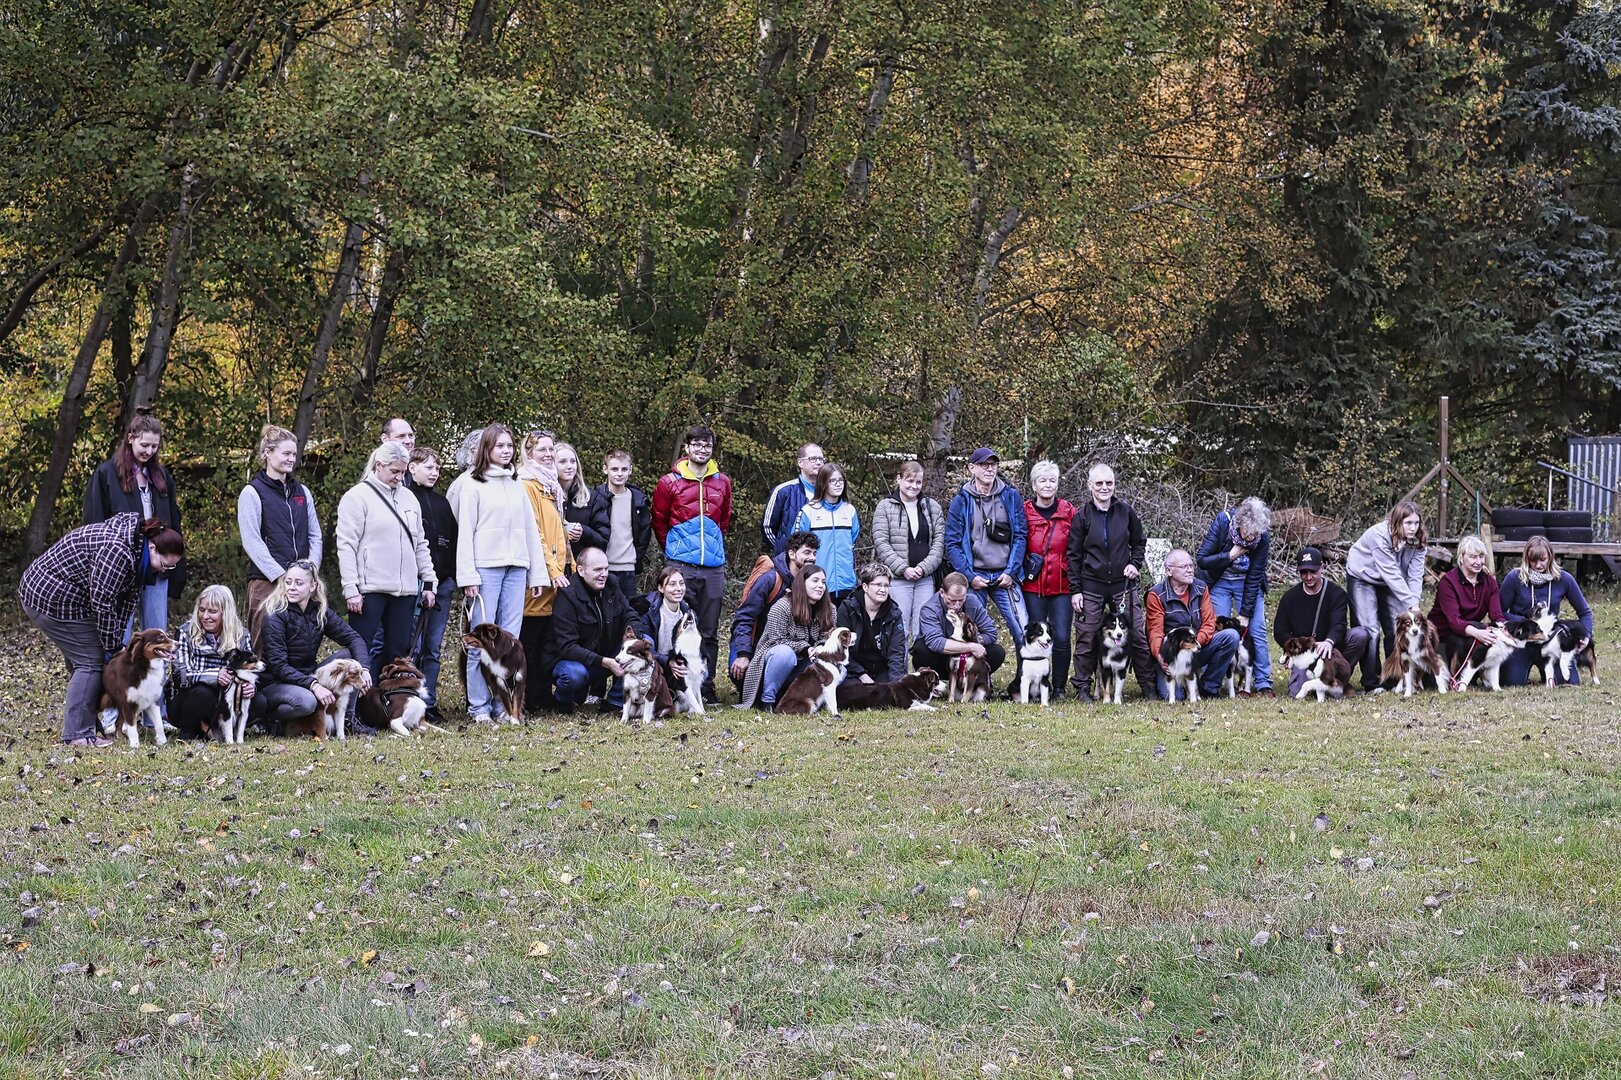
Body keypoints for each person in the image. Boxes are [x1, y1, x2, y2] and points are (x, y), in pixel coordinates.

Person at [18, 514, 184, 747]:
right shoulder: (117, 551)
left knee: (90, 657)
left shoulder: (137, 555)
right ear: (153, 547)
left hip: (70, 599)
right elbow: (103, 603)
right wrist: (112, 648)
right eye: (165, 565)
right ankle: (77, 733)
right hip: (48, 595)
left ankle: (87, 723)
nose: (164, 571)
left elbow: (124, 605)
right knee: (90, 660)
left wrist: (117, 646)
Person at [453, 423, 548, 722]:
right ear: (487, 449)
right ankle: (479, 707)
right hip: (485, 569)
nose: (506, 451)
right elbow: (465, 532)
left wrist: (537, 574)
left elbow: (530, 530)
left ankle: (503, 706)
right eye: (500, 446)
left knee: (509, 643)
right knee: (480, 643)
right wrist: (468, 576)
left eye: (509, 446)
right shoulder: (472, 483)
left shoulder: (516, 483)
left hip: (516, 568)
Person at [335, 441, 437, 682]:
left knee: (399, 653)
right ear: (379, 465)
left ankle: (390, 699)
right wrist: (351, 588)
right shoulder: (357, 497)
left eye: (403, 472)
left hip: (405, 590)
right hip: (369, 589)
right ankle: (356, 702)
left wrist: (429, 580)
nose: (400, 477)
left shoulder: (410, 498)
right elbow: (346, 545)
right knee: (360, 651)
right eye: (394, 471)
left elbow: (420, 543)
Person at [83, 411, 185, 637]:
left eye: (154, 446)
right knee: (120, 633)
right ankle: (118, 662)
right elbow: (94, 523)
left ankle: (153, 664)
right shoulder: (106, 474)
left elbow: (173, 520)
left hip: (156, 564)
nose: (149, 451)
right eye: (144, 445)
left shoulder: (162, 476)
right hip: (121, 567)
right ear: (130, 438)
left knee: (156, 633)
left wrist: (177, 564)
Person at [652, 425, 733, 703]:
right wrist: (674, 550)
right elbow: (659, 520)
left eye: (707, 445)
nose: (702, 449)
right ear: (687, 448)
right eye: (696, 444)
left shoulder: (722, 482)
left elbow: (724, 520)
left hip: (713, 567)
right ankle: (676, 684)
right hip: (681, 565)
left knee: (709, 629)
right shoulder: (669, 482)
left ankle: (706, 686)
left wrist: (711, 547)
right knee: (678, 626)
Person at [1066, 463, 1157, 700]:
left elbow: (1139, 542)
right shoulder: (1082, 516)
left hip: (1123, 584)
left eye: (1109, 483)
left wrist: (1134, 564)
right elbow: (1073, 556)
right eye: (1099, 483)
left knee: (1136, 635)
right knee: (1087, 636)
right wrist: (1076, 590)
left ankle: (1148, 685)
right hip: (1091, 586)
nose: (1104, 487)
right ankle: (1083, 688)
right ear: (1090, 486)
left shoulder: (1126, 512)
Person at [254, 560, 372, 732]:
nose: (291, 588)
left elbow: (354, 638)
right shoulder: (275, 614)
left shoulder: (319, 611)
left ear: (312, 586)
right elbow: (278, 666)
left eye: (298, 583)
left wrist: (364, 669)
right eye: (288, 582)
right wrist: (314, 685)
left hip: (309, 675)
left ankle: (348, 719)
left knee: (349, 656)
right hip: (276, 683)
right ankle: (273, 721)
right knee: (308, 701)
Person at [944, 448, 1028, 669]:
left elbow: (1020, 535)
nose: (990, 469)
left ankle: (1024, 682)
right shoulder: (961, 501)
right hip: (975, 577)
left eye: (993, 465)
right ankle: (973, 679)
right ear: (972, 468)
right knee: (968, 632)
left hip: (1004, 576)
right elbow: (952, 543)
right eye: (984, 465)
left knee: (1022, 629)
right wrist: (969, 577)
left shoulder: (1010, 497)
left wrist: (1011, 572)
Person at [238, 424, 322, 642]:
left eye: (294, 454)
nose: (292, 459)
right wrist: (281, 575)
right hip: (267, 582)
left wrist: (310, 571)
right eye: (286, 453)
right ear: (268, 453)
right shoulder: (252, 493)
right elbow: (251, 541)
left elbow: (315, 535)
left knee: (299, 645)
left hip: (301, 583)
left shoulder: (302, 492)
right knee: (263, 645)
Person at [516, 430, 575, 711]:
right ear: (529, 453)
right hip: (540, 575)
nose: (549, 454)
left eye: (551, 449)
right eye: (542, 449)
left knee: (547, 640)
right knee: (529, 639)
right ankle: (524, 696)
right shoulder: (527, 484)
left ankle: (540, 693)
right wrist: (551, 570)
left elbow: (557, 531)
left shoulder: (551, 486)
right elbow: (536, 533)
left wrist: (569, 563)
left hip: (559, 571)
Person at [1195, 496, 1275, 697]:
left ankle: (1263, 683)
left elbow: (1255, 576)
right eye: (1247, 532)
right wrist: (1230, 555)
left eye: (1255, 534)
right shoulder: (1223, 522)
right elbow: (1202, 559)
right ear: (1239, 523)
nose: (1250, 538)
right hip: (1219, 581)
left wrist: (1245, 613)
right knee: (1217, 630)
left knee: (1257, 629)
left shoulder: (1262, 537)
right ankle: (1211, 680)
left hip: (1246, 583)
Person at [1272, 547, 1377, 696]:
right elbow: (1280, 631)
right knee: (1296, 693)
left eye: (1313, 571)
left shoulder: (1336, 593)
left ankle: (1337, 678)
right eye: (1304, 572)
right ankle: (1319, 683)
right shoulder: (1289, 598)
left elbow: (1339, 624)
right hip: (1305, 653)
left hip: (1331, 650)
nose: (1309, 577)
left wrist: (1329, 641)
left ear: (1322, 568)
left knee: (1360, 635)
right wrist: (1293, 650)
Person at [544, 546, 634, 712]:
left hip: (602, 656)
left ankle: (615, 701)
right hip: (571, 661)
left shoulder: (612, 584)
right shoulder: (567, 595)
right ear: (581, 570)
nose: (604, 574)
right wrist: (604, 661)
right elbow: (567, 647)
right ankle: (564, 702)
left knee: (642, 643)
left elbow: (630, 615)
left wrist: (633, 638)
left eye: (606, 568)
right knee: (574, 675)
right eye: (598, 569)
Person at [1345, 500, 1428, 680]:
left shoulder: (1419, 541)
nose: (1413, 528)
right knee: (1371, 629)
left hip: (1391, 581)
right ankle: (1372, 681)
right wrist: (1410, 602)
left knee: (1396, 626)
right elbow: (1390, 572)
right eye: (1408, 523)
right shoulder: (1379, 535)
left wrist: (1414, 604)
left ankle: (1393, 678)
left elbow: (1415, 575)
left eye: (1416, 522)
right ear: (1397, 522)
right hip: (1363, 576)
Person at [728, 531, 819, 692]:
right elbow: (745, 617)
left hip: (792, 647)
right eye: (807, 552)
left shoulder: (813, 583)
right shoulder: (770, 580)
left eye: (814, 553)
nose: (812, 557)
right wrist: (743, 653)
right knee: (742, 677)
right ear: (792, 554)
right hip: (757, 645)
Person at [1146, 549, 1241, 700]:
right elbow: (1155, 631)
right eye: (1184, 567)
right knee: (1174, 697)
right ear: (1169, 570)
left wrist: (1194, 643)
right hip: (1172, 654)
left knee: (1231, 636)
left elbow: (1209, 623)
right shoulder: (1156, 595)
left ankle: (1209, 686)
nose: (1190, 570)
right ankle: (1180, 685)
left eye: (1191, 566)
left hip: (1197, 648)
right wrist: (1160, 657)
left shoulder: (1201, 587)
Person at [1498, 535, 1593, 686]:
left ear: (1550, 557)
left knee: (1568, 682)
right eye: (1533, 560)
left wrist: (1586, 635)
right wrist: (1523, 624)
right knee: (1511, 682)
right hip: (1522, 642)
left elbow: (1585, 612)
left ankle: (1550, 673)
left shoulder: (1564, 579)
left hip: (1551, 642)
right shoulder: (1514, 578)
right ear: (1526, 559)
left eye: (1542, 559)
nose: (1538, 565)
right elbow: (1498, 611)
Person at [737, 564, 835, 709]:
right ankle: (767, 700)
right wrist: (806, 648)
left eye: (823, 582)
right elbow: (776, 640)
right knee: (784, 653)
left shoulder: (830, 609)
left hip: (804, 666)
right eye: (815, 581)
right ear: (802, 583)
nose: (820, 586)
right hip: (773, 667)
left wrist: (821, 646)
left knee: (833, 662)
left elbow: (827, 635)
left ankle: (811, 700)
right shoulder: (782, 606)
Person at [408, 447, 458, 723]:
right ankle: (408, 699)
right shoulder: (406, 499)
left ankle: (429, 702)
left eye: (437, 468)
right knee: (412, 646)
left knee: (433, 648)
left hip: (443, 584)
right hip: (415, 583)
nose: (434, 473)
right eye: (428, 467)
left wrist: (450, 576)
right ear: (412, 467)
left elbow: (452, 540)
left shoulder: (442, 503)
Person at [871, 460, 946, 642]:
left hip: (925, 579)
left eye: (918, 482)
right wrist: (903, 568)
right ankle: (899, 662)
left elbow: (939, 543)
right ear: (899, 479)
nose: (914, 486)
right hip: (898, 580)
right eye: (910, 481)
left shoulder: (932, 507)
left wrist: (923, 568)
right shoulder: (885, 506)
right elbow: (881, 542)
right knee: (899, 629)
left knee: (924, 628)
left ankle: (922, 662)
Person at [169, 584, 254, 737]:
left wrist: (250, 686)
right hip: (189, 699)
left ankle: (231, 731)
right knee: (203, 694)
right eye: (202, 610)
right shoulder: (185, 632)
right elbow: (180, 678)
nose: (205, 616)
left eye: (212, 612)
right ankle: (189, 732)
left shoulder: (242, 635)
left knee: (259, 700)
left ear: (226, 613)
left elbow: (250, 669)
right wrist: (215, 675)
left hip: (227, 698)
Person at [1021, 460, 1076, 698]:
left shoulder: (1069, 511)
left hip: (1062, 585)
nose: (1047, 485)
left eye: (1052, 480)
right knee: (1033, 635)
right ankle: (1032, 685)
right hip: (1032, 585)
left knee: (1061, 637)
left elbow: (1078, 546)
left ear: (1057, 484)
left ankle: (1059, 687)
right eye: (1042, 480)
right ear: (1034, 485)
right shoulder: (1024, 511)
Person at [1427, 534, 1504, 678]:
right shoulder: (1448, 582)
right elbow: (1454, 621)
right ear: (1461, 558)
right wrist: (1478, 633)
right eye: (1473, 557)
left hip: (1468, 636)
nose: (1479, 562)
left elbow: (1497, 616)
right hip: (1441, 637)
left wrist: (1506, 632)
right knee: (1439, 680)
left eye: (1481, 557)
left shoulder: (1490, 582)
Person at [910, 571, 1007, 683]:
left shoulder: (973, 601)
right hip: (939, 658)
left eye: (961, 600)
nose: (956, 606)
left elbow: (991, 633)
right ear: (942, 592)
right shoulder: (929, 609)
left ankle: (973, 682)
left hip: (967, 659)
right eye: (951, 600)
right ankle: (930, 682)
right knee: (921, 649)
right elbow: (936, 643)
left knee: (997, 652)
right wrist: (971, 646)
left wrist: (976, 641)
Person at [588, 449, 652, 601]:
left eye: (624, 469)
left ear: (630, 470)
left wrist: (637, 558)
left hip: (628, 569)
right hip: (602, 568)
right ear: (605, 469)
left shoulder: (638, 500)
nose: (619, 474)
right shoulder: (595, 498)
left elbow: (644, 533)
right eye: (614, 469)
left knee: (628, 611)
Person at [794, 462, 860, 603]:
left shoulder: (850, 511)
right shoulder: (809, 511)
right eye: (832, 481)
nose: (838, 484)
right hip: (818, 585)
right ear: (823, 483)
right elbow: (797, 546)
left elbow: (853, 539)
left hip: (846, 585)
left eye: (840, 480)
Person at [835, 563, 908, 684]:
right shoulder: (847, 608)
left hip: (882, 669)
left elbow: (896, 652)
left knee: (889, 690)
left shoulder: (894, 613)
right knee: (853, 691)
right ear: (865, 587)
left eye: (886, 585)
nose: (883, 590)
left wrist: (897, 684)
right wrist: (862, 675)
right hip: (852, 670)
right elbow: (841, 649)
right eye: (878, 585)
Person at [633, 564, 699, 694]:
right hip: (654, 662)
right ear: (661, 588)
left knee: (702, 670)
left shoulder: (689, 611)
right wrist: (668, 661)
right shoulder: (647, 611)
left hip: (677, 661)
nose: (678, 588)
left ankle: (676, 691)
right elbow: (644, 649)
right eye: (672, 584)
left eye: (681, 583)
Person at [762, 443, 825, 555]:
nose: (818, 462)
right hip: (790, 561)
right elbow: (767, 528)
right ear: (800, 462)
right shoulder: (783, 491)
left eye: (821, 459)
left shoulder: (829, 493)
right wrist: (784, 551)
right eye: (813, 459)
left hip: (822, 558)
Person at [554, 442, 606, 556]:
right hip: (552, 562)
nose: (569, 466)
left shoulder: (593, 498)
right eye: (563, 462)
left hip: (581, 563)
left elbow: (603, 540)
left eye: (573, 461)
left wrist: (583, 532)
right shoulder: (545, 496)